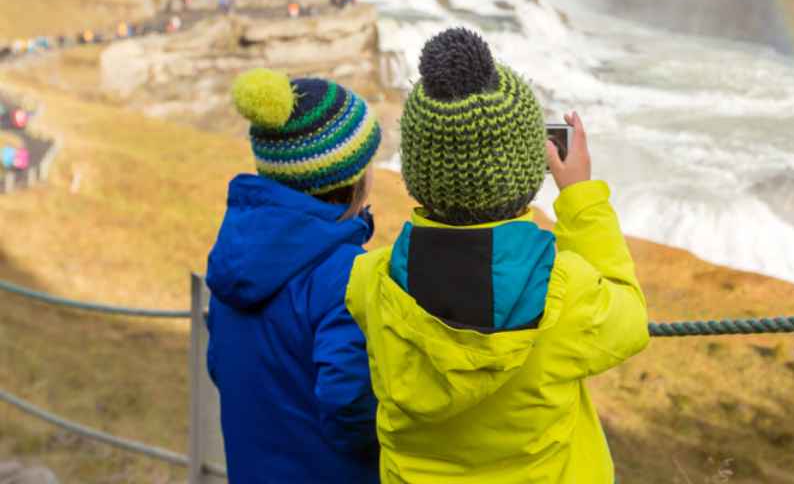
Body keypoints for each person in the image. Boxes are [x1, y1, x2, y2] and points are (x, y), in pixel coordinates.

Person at [346, 27, 649, 483]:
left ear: (418, 170)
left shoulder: (371, 282)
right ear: (530, 167)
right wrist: (581, 198)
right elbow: (629, 316)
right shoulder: (565, 293)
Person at [206, 69, 384, 483]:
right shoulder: (344, 274)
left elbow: (221, 368)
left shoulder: (233, 258)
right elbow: (350, 404)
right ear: (350, 176)